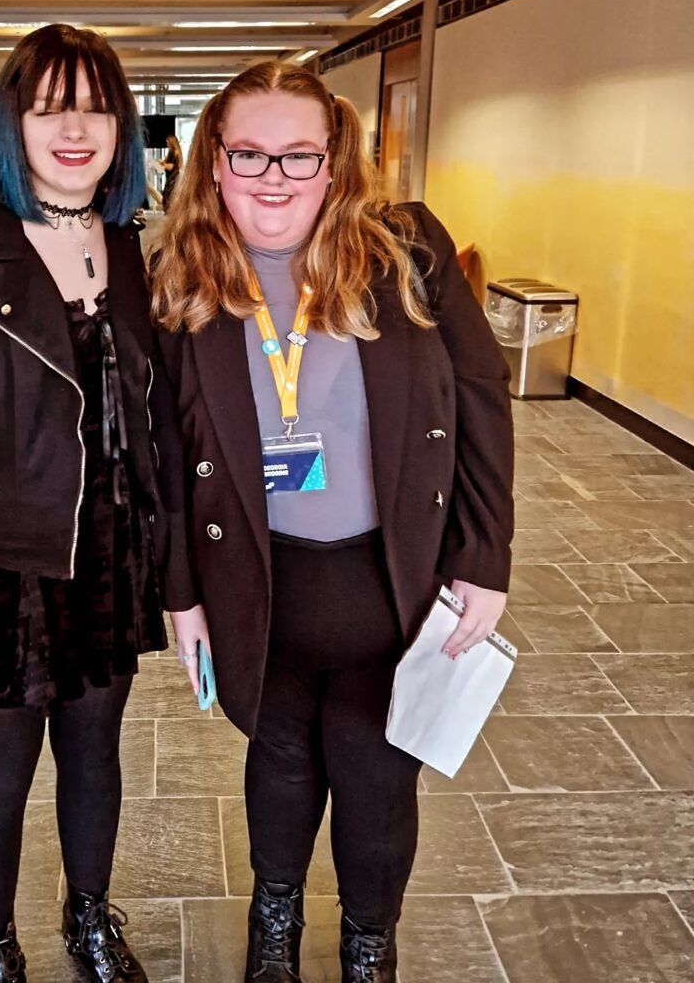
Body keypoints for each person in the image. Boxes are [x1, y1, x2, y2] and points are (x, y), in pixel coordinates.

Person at [152, 61, 514, 983]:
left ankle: (366, 943)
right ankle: (272, 923)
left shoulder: (405, 248)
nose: (273, 179)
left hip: (387, 581)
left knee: (376, 776)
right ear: (214, 163)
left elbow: (478, 394)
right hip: (256, 586)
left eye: (298, 157)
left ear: (334, 160)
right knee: (275, 767)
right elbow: (165, 454)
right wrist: (183, 596)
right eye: (249, 155)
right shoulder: (185, 273)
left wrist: (483, 555)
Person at [0, 23, 190, 983]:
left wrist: (181, 578)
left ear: (122, 128)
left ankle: (91, 918)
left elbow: (170, 437)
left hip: (110, 562)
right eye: (49, 105)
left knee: (96, 756)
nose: (75, 128)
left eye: (95, 106)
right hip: (3, 567)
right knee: (1, 774)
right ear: (13, 120)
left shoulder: (139, 253)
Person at [158, 133, 183, 211]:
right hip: (171, 177)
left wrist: (164, 165)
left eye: (168, 142)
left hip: (172, 177)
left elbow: (171, 166)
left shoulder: (174, 153)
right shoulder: (173, 153)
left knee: (169, 195)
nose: (167, 144)